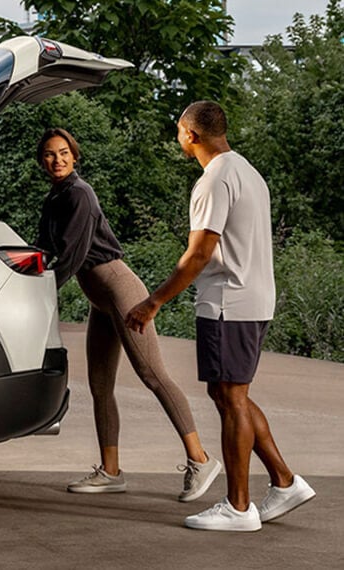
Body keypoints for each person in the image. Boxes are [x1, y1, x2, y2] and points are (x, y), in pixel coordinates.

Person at [126, 101, 316, 532]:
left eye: (179, 132)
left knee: (231, 399)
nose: (178, 138)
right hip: (251, 299)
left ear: (190, 135)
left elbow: (199, 254)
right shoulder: (247, 171)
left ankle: (238, 506)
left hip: (230, 302)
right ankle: (284, 482)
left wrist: (153, 301)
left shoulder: (214, 180)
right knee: (232, 395)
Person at [35, 127, 220, 501]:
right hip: (99, 299)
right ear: (43, 161)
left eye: (63, 153)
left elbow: (71, 254)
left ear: (74, 155)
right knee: (100, 385)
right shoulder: (54, 199)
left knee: (152, 374)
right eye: (50, 155)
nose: (57, 160)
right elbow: (41, 247)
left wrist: (40, 292)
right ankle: (111, 471)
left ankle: (201, 459)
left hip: (120, 290)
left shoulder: (80, 195)